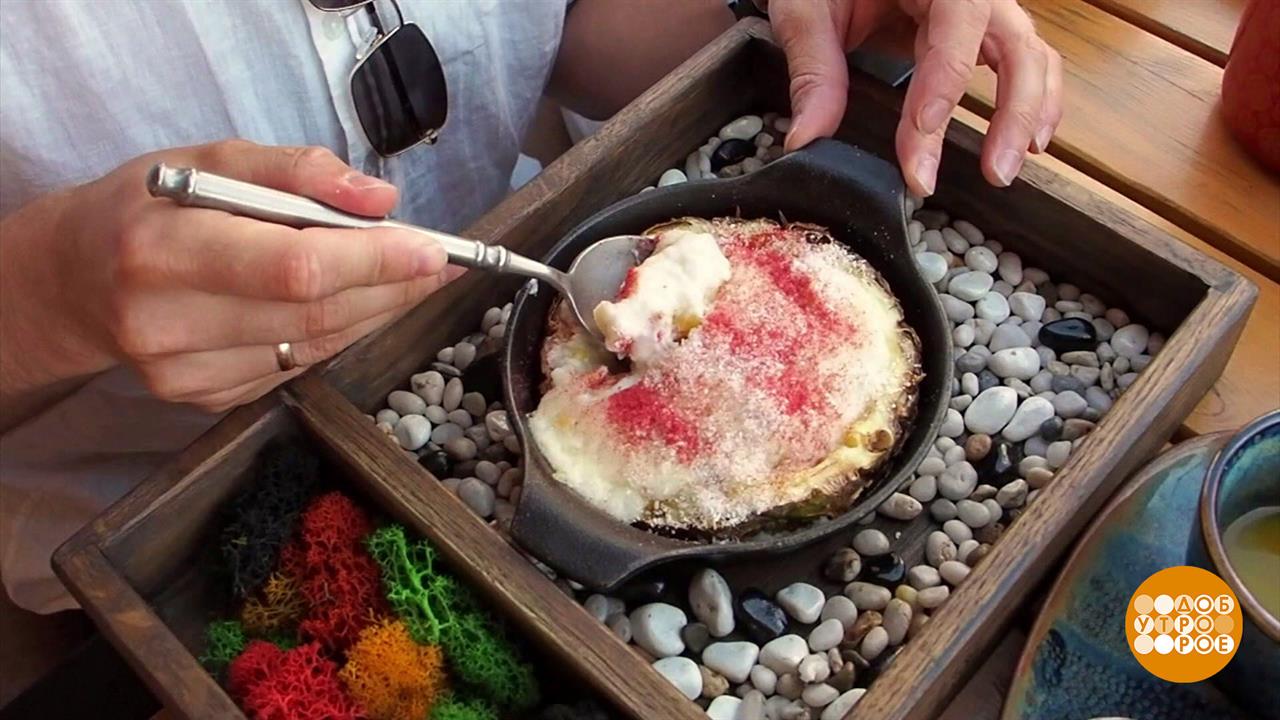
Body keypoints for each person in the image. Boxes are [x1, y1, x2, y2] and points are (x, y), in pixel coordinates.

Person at [0, 0, 1061, 614]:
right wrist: (49, 296)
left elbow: (564, 34)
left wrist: (805, 6)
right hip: (151, 512)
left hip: (506, 271)